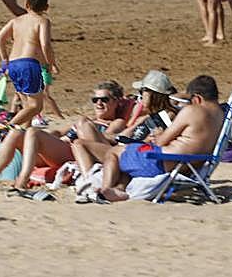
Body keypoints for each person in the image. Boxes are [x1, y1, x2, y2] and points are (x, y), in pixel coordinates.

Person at [0, 81, 132, 190]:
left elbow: (109, 139)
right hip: (62, 149)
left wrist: (83, 129)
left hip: (80, 153)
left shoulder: (116, 122)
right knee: (15, 133)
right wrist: (52, 137)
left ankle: (22, 180)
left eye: (104, 99)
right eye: (95, 100)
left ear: (116, 102)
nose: (99, 103)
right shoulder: (89, 120)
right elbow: (59, 132)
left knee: (34, 132)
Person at [96, 75, 224, 201]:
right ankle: (119, 189)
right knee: (130, 154)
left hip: (163, 163)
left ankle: (105, 190)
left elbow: (161, 142)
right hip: (192, 165)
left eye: (191, 99)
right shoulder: (220, 115)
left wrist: (158, 134)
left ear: (197, 99)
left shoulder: (192, 111)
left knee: (115, 152)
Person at [0, 0, 57, 130]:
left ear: (26, 5)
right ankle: (6, 127)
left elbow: (0, 38)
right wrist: (50, 63)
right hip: (29, 64)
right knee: (36, 106)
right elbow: (45, 44)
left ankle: (23, 133)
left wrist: (4, 58)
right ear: (46, 7)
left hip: (13, 64)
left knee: (27, 106)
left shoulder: (16, 21)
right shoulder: (43, 21)